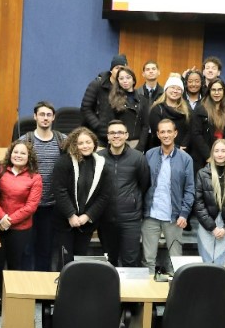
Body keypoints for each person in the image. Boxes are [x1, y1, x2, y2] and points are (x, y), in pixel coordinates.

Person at [53, 127, 112, 265]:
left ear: (94, 143)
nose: (85, 146)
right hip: (65, 222)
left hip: (86, 224)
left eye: (88, 142)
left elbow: (104, 195)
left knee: (80, 262)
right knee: (64, 262)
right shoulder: (64, 162)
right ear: (74, 144)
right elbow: (59, 190)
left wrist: (87, 216)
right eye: (81, 143)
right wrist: (71, 215)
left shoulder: (102, 164)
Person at [142, 117, 194, 272]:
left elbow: (190, 189)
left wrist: (184, 213)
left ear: (175, 133)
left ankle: (174, 293)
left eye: (169, 131)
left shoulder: (186, 159)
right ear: (157, 134)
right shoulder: (149, 155)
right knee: (148, 259)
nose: (166, 135)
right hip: (150, 215)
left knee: (175, 260)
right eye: (162, 132)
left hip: (174, 217)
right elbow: (142, 184)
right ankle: (149, 295)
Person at [97, 119, 149, 267]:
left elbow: (144, 184)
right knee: (109, 262)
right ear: (107, 136)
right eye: (112, 133)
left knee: (130, 261)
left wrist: (133, 202)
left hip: (130, 219)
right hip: (105, 219)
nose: (116, 136)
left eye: (120, 132)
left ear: (126, 135)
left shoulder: (138, 157)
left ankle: (129, 291)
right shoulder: (99, 158)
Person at [19, 101, 64, 270]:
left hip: (51, 205)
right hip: (27, 205)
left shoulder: (62, 140)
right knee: (26, 249)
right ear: (35, 117)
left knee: (45, 249)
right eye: (42, 114)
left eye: (48, 115)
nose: (45, 118)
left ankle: (41, 291)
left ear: (53, 118)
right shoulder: (25, 141)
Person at [193, 139, 225, 266]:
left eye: (223, 151)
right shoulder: (202, 173)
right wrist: (212, 227)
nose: (220, 154)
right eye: (216, 151)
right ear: (212, 153)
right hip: (207, 225)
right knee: (206, 265)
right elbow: (198, 204)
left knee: (222, 266)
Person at [0, 140, 43, 275]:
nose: (18, 155)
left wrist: (8, 221)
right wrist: (1, 217)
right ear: (10, 154)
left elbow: (31, 206)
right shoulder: (1, 171)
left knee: (15, 265)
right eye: (15, 152)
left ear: (29, 157)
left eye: (23, 153)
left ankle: (12, 296)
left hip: (20, 229)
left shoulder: (35, 177)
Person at [189, 78, 225, 171]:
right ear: (209, 92)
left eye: (220, 90)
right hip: (203, 159)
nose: (217, 93)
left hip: (223, 158)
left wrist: (223, 155)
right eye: (214, 90)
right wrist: (209, 156)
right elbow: (196, 135)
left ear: (224, 92)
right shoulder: (200, 111)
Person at [97, 65, 144, 149]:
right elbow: (108, 122)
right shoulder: (112, 98)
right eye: (121, 78)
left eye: (128, 78)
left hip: (136, 142)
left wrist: (141, 146)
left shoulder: (143, 99)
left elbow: (145, 126)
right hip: (118, 141)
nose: (125, 81)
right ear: (118, 81)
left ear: (133, 80)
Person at [145, 74, 193, 154]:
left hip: (183, 151)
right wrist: (176, 147)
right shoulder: (157, 109)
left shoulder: (187, 110)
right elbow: (156, 132)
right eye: (172, 87)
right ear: (166, 89)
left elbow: (190, 130)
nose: (175, 91)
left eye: (178, 89)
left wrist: (183, 147)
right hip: (161, 150)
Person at [81, 54, 126, 132]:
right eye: (117, 68)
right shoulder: (96, 85)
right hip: (96, 132)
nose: (119, 71)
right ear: (111, 70)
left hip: (117, 134)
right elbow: (85, 108)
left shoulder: (125, 88)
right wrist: (98, 125)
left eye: (122, 68)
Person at [137, 60, 163, 137]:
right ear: (143, 74)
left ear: (159, 72)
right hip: (141, 134)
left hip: (158, 134)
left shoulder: (165, 93)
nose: (151, 71)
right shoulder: (137, 93)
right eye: (148, 69)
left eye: (153, 69)